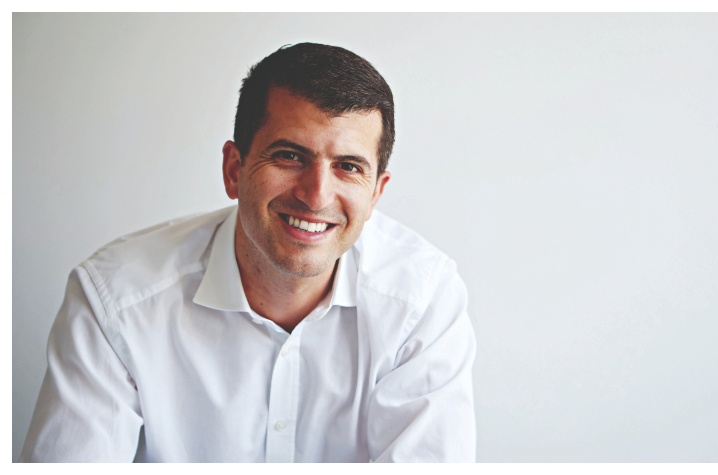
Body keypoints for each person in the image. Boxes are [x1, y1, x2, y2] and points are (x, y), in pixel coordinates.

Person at [19, 43, 476, 463]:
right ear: (234, 169)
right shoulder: (116, 300)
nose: (316, 195)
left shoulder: (422, 301)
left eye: (348, 167)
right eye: (290, 156)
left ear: (375, 193)